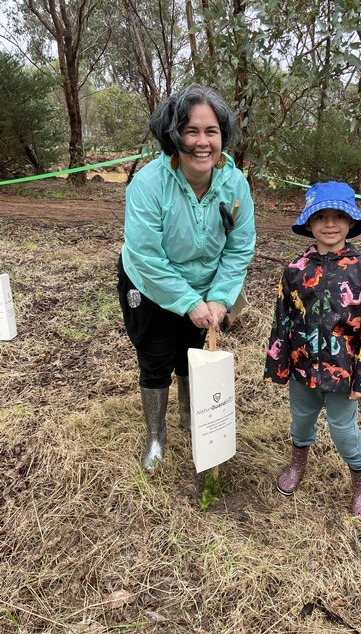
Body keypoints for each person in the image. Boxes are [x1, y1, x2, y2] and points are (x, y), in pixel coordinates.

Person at [118, 83, 256, 472]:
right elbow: (146, 255)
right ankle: (156, 437)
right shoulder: (149, 184)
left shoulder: (235, 184)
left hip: (206, 287)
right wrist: (189, 303)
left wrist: (219, 298)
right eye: (191, 131)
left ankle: (190, 418)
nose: (202, 142)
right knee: (157, 357)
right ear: (173, 134)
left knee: (192, 356)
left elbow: (239, 247)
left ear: (222, 136)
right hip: (149, 283)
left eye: (211, 131)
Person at [263, 181, 361, 522]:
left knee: (342, 428)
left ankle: (360, 477)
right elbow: (283, 319)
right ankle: (297, 461)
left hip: (342, 370)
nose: (329, 224)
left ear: (350, 223)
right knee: (301, 420)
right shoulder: (295, 269)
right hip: (302, 365)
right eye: (321, 217)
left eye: (338, 216)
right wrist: (279, 364)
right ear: (309, 223)